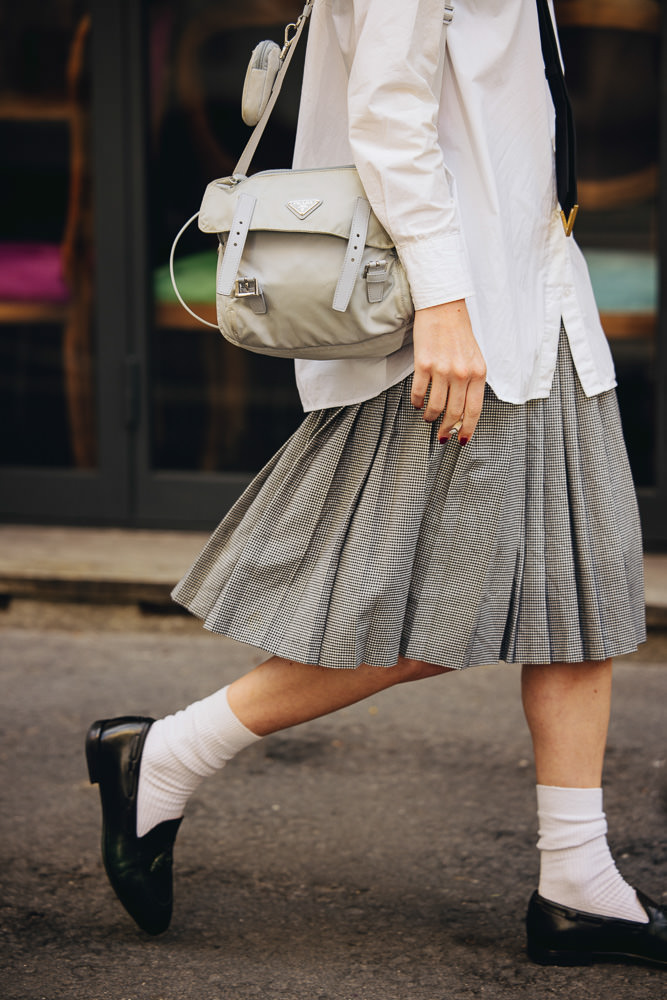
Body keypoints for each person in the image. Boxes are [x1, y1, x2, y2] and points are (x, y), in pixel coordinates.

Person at [85, 0, 666, 966]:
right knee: (448, 607)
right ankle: (167, 752)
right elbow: (387, 112)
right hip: (463, 311)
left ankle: (578, 885)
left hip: (537, 288)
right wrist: (444, 303)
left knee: (578, 597)